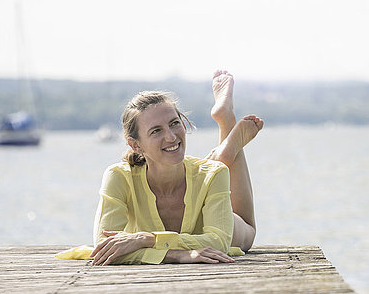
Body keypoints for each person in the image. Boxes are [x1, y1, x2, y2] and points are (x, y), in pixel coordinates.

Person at [90, 70, 263, 265]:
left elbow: (220, 242)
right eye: (156, 131)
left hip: (212, 207)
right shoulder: (119, 176)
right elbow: (103, 246)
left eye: (174, 124)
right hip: (198, 228)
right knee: (212, 172)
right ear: (135, 145)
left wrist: (148, 239)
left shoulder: (214, 174)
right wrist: (178, 254)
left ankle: (226, 123)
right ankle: (221, 145)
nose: (171, 136)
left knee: (246, 229)